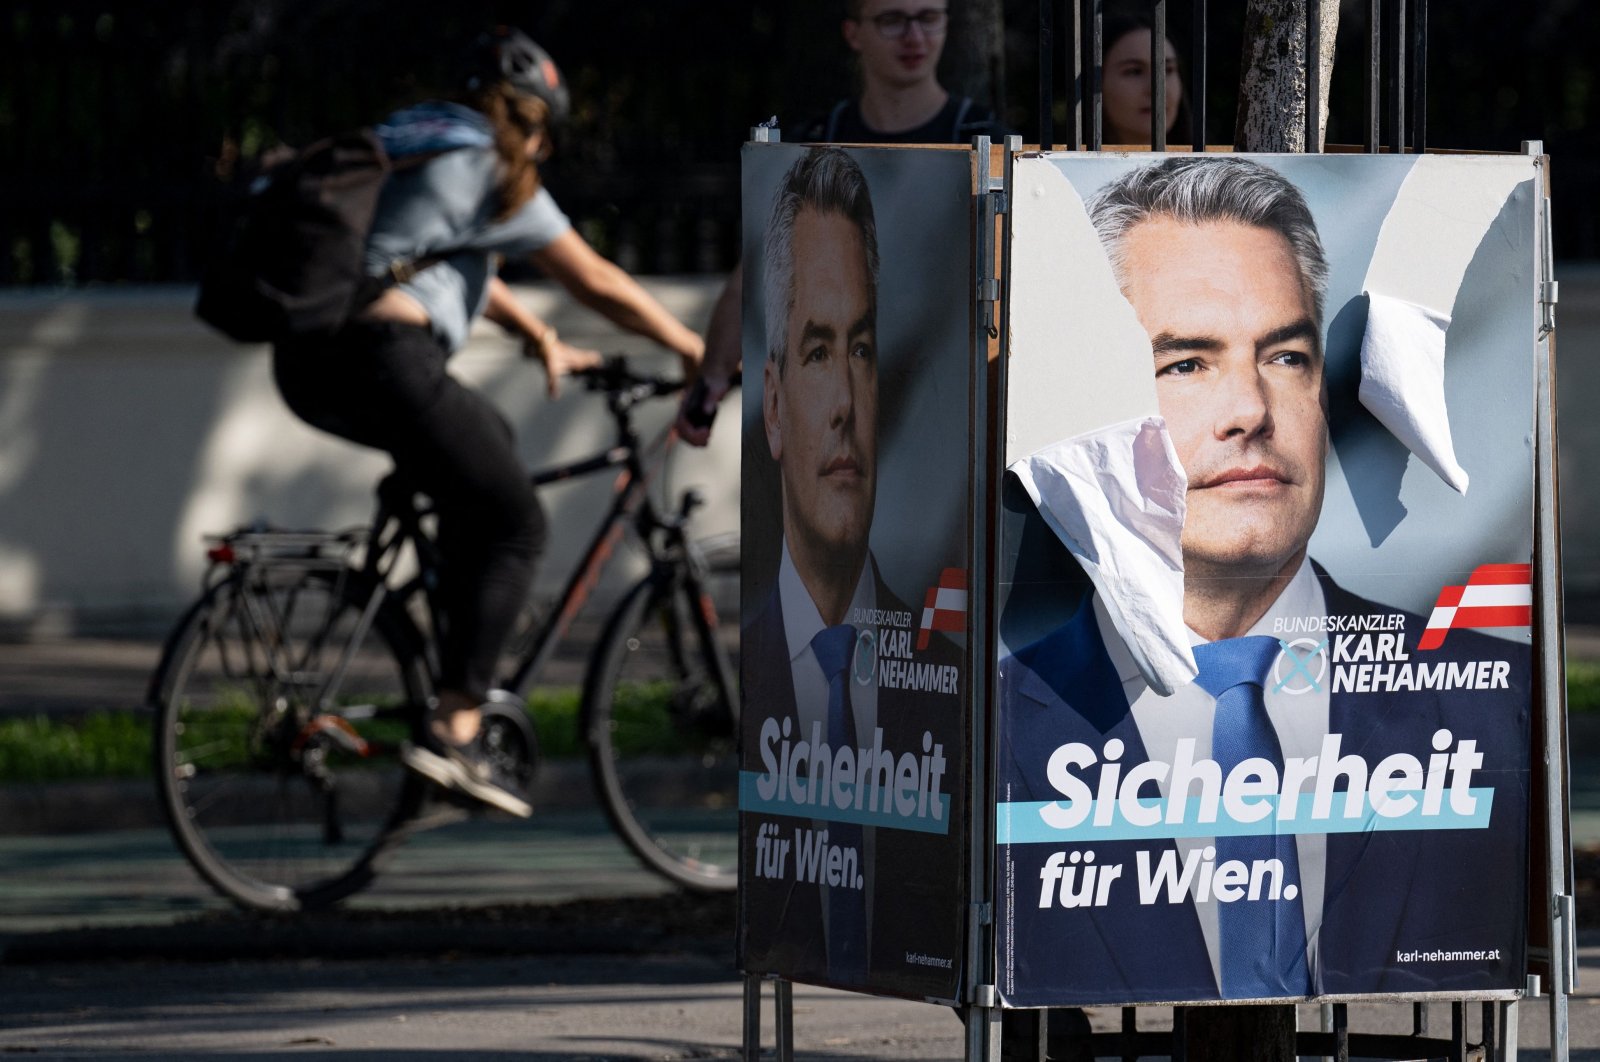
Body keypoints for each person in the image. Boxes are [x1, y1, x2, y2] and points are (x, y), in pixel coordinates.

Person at [997, 156, 1529, 1004]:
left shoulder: (1487, 701)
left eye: (1284, 356)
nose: (1250, 407)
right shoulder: (992, 731)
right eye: (1187, 364)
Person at [272, 27, 705, 817]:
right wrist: (689, 345)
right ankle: (455, 731)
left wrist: (536, 334)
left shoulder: (421, 143)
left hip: (311, 360)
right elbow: (596, 279)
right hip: (384, 355)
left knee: (486, 456)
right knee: (515, 525)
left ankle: (447, 661)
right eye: (544, 133)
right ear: (532, 123)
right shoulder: (494, 164)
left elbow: (433, 257)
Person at [741, 146, 961, 993]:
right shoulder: (755, 683)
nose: (845, 405)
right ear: (772, 404)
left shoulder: (947, 680)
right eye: (818, 350)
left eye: (862, 351)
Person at [675, 0, 1006, 444]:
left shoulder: (984, 141)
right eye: (893, 20)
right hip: (834, 406)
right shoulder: (815, 142)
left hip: (949, 405)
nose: (914, 36)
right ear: (854, 32)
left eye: (928, 17)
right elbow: (756, 272)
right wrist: (711, 380)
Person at [1098, 10, 1191, 147]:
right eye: (1134, 71)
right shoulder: (1059, 167)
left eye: (1168, 70)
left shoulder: (1216, 165)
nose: (1157, 89)